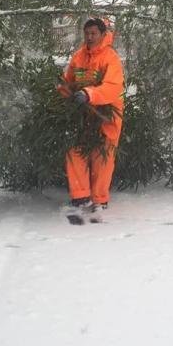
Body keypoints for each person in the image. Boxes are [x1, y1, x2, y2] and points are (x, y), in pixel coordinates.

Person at [59, 18, 125, 219]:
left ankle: (99, 200)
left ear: (103, 34)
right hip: (82, 115)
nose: (89, 37)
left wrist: (89, 94)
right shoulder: (78, 56)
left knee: (102, 156)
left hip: (106, 115)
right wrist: (62, 90)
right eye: (87, 33)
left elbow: (113, 87)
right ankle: (80, 196)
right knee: (74, 151)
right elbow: (69, 81)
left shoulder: (110, 58)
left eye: (93, 33)